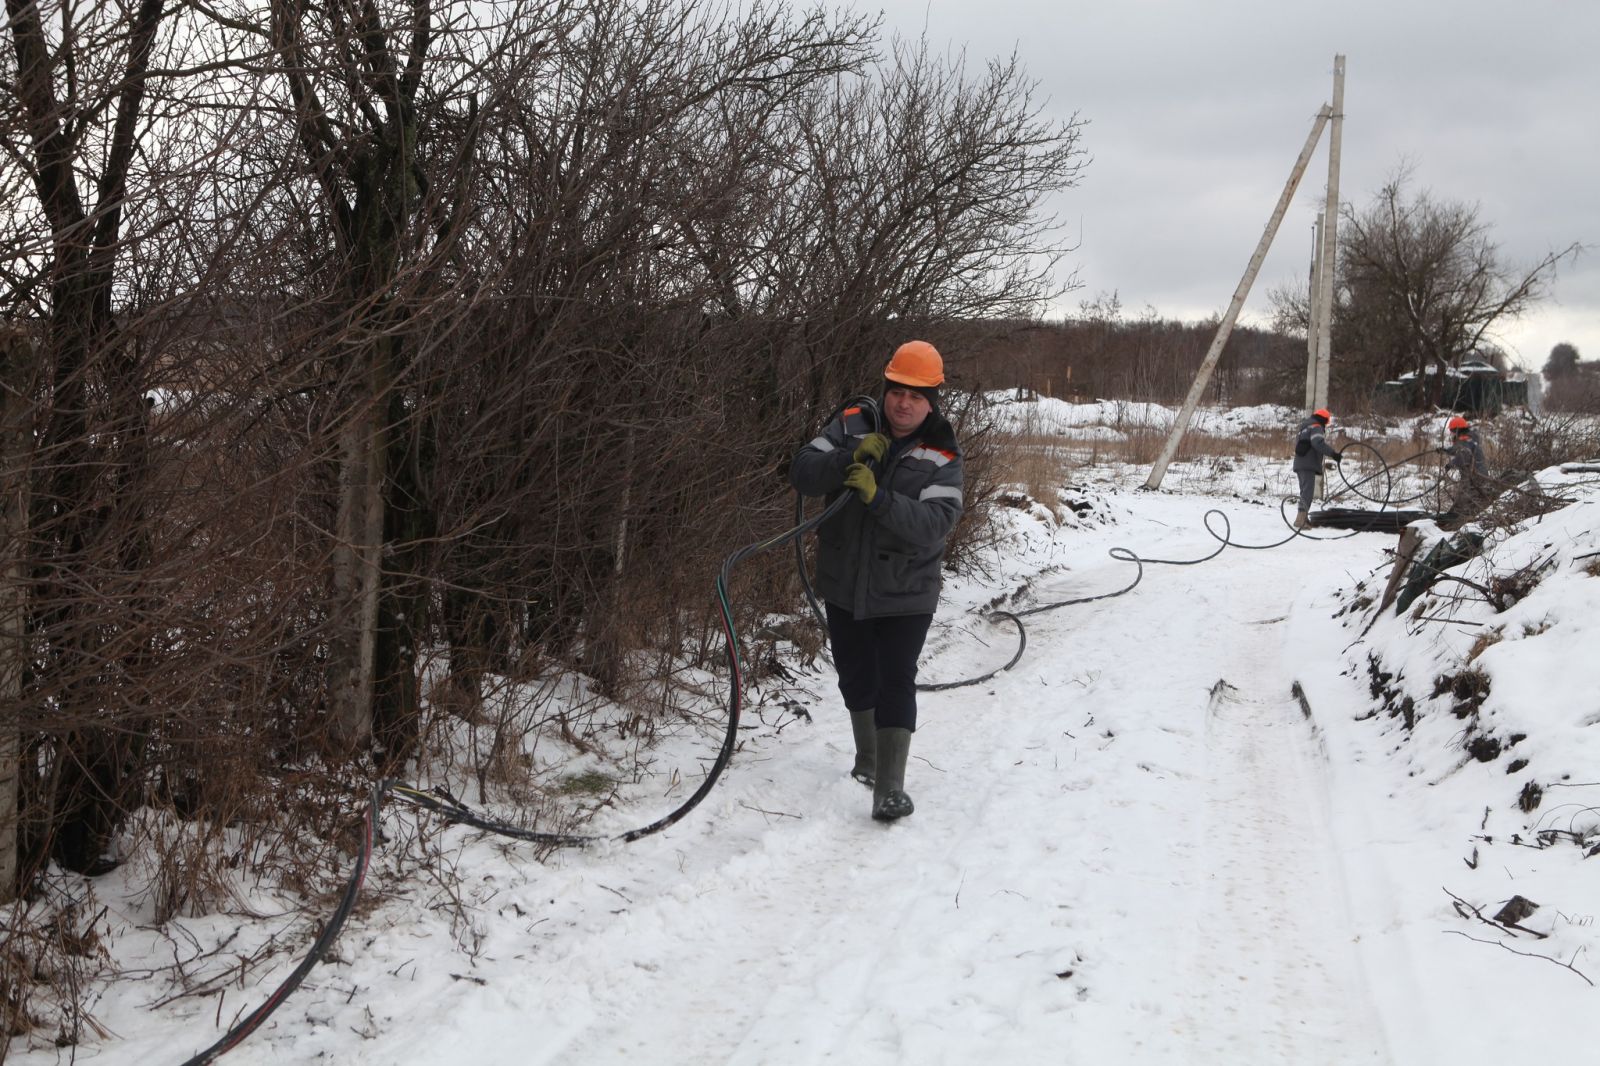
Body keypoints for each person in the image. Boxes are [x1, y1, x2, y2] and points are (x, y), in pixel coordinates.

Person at [788, 340, 964, 822]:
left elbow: (934, 522)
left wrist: (878, 498)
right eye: (898, 390)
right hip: (845, 582)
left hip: (907, 590)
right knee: (855, 674)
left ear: (932, 400)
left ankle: (890, 787)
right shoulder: (850, 422)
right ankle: (867, 760)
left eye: (917, 394)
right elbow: (802, 472)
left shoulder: (942, 450)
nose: (904, 402)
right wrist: (846, 461)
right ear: (886, 388)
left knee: (895, 679)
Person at [1291, 408, 1342, 529]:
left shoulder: (1304, 428)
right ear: (1324, 420)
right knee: (1307, 492)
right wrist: (1333, 454)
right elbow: (1317, 443)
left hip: (1300, 464)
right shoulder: (1316, 426)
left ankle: (1303, 518)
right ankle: (1300, 521)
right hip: (1307, 465)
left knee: (1305, 492)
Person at [1443, 415, 1490, 518]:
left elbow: (1463, 457)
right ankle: (1470, 517)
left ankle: (1455, 519)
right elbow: (1459, 448)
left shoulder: (1464, 440)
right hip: (1481, 474)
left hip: (1473, 475)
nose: (1452, 433)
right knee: (1476, 498)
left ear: (1457, 429)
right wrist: (1446, 450)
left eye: (1452, 431)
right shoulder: (1470, 437)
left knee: (1463, 498)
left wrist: (1450, 465)